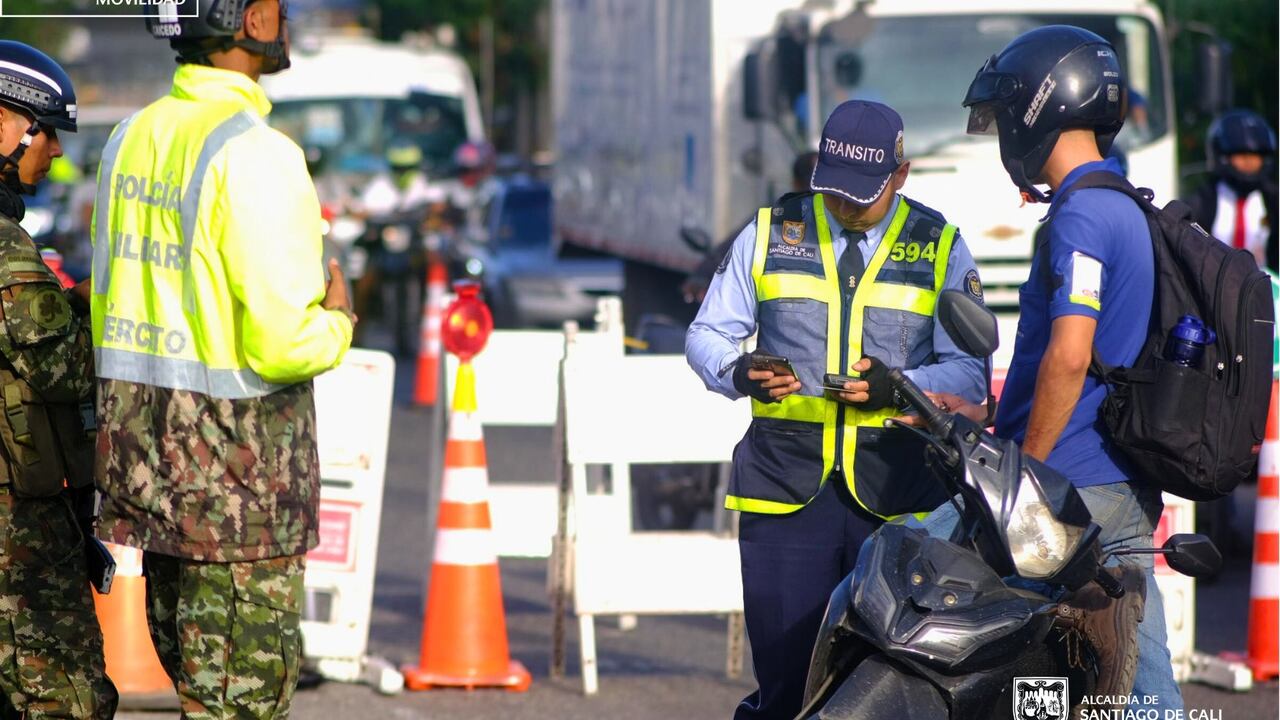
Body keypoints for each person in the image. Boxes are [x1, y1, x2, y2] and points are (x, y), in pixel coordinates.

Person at [91, 2, 355, 717]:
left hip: (150, 484)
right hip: (239, 495)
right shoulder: (258, 154)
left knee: (197, 691)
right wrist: (338, 318)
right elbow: (282, 342)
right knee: (238, 704)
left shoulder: (127, 139)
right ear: (253, 20)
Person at [686, 100, 985, 720]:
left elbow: (969, 370)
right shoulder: (772, 230)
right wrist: (739, 371)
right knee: (789, 683)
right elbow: (706, 334)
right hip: (785, 493)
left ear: (900, 176)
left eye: (861, 194)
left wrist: (898, 387)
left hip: (899, 498)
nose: (844, 207)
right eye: (834, 190)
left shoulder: (940, 245)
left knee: (893, 683)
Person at [953, 24, 1180, 713]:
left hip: (1074, 489)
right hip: (1116, 487)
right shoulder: (1124, 208)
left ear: (1039, 107)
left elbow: (1071, 354)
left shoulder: (1081, 217)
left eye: (1004, 119)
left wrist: (1027, 477)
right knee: (1141, 688)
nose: (1002, 145)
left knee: (1008, 674)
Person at [0, 41, 118, 718]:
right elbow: (61, 368)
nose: (56, 158)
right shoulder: (5, 248)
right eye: (49, 136)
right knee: (67, 700)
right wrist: (101, 307)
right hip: (18, 532)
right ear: (9, 127)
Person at [682, 151, 819, 304]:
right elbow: (734, 247)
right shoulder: (774, 218)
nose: (815, 196)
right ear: (796, 184)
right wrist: (702, 275)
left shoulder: (841, 227)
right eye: (811, 188)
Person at [1184, 109, 1278, 272]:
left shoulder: (1273, 201)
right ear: (1223, 156)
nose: (1249, 162)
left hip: (1265, 290)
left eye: (1256, 155)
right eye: (1241, 154)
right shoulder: (1201, 203)